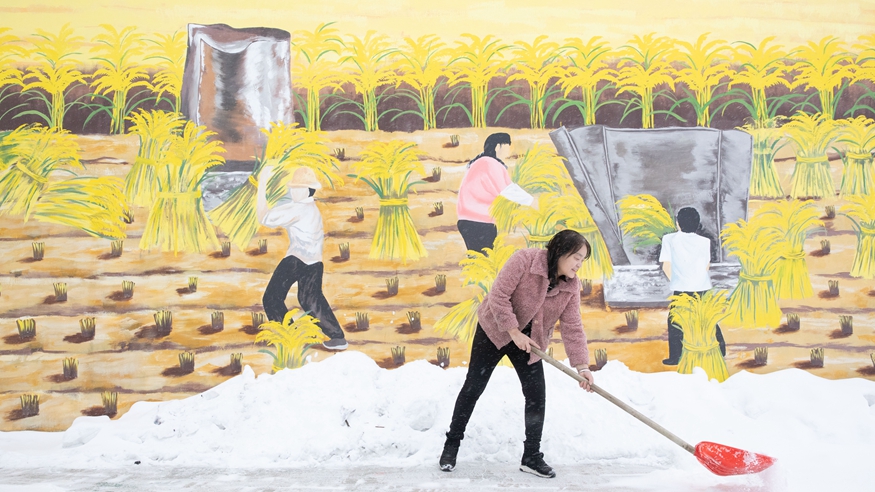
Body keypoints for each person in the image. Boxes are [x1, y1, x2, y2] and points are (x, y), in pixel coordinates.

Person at [439, 229, 594, 478]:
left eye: (582, 259)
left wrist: (582, 367)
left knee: (536, 396)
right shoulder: (525, 260)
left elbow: (573, 326)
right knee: (473, 387)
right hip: (495, 330)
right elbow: (498, 296)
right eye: (576, 257)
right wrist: (513, 331)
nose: (579, 264)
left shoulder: (571, 287)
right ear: (561, 251)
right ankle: (452, 444)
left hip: (530, 343)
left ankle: (531, 456)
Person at [256, 165, 347, 351]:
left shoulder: (297, 209)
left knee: (272, 298)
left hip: (296, 260)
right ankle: (337, 337)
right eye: (292, 188)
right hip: (314, 261)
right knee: (310, 300)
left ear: (307, 190)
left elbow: (263, 217)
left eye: (296, 188)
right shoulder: (312, 208)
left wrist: (262, 182)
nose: (292, 191)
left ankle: (288, 336)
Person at [659, 207, 726, 365]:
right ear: (697, 223)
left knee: (675, 321)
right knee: (707, 318)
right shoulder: (705, 241)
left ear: (678, 223)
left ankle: (676, 357)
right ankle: (721, 349)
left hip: (681, 288)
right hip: (702, 286)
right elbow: (706, 266)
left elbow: (666, 266)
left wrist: (679, 280)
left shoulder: (669, 239)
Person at [456, 132, 537, 254]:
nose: (510, 150)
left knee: (477, 258)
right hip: (480, 221)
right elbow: (507, 190)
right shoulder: (490, 164)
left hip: (468, 220)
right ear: (498, 146)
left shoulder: (479, 163)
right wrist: (532, 201)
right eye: (508, 145)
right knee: (485, 258)